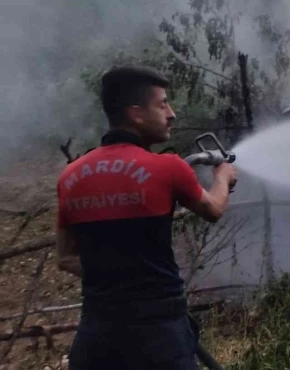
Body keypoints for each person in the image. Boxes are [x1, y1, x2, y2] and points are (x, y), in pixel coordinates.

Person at [55, 65, 237, 369]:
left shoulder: (70, 176)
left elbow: (65, 258)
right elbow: (214, 209)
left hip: (95, 337)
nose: (172, 113)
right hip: (159, 337)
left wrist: (114, 279)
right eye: (162, 103)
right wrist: (222, 176)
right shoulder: (168, 167)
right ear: (136, 113)